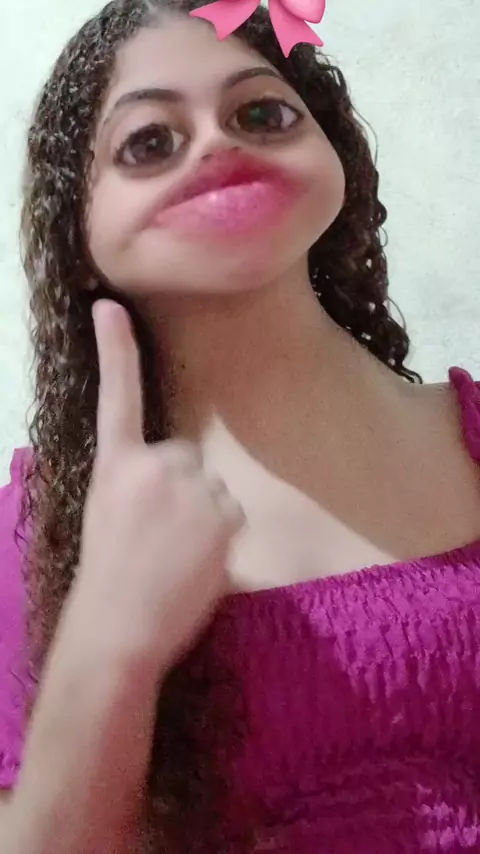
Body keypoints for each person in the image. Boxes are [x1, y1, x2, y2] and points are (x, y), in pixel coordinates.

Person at [1, 0, 480, 851]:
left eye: (261, 113)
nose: (217, 145)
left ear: (334, 151)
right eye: (150, 140)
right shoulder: (32, 534)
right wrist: (107, 641)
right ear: (77, 232)